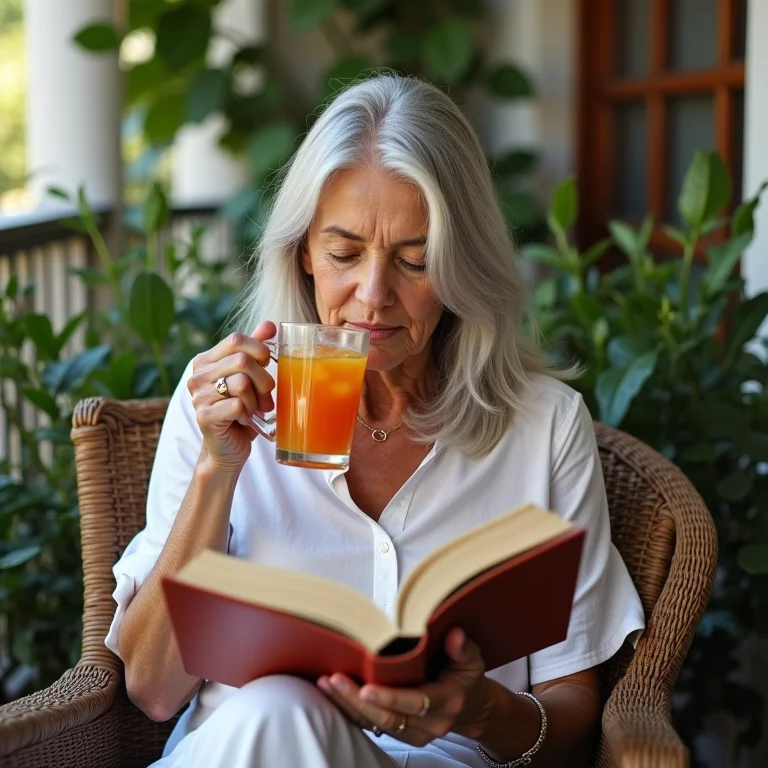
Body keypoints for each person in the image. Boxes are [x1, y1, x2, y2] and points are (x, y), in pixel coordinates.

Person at [105, 74, 645, 768]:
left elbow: (572, 724)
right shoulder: (223, 402)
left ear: (462, 264)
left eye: (415, 260)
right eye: (344, 253)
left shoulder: (542, 428)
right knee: (279, 711)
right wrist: (218, 471)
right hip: (243, 751)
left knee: (282, 709)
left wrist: (479, 709)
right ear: (303, 251)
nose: (373, 295)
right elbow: (152, 689)